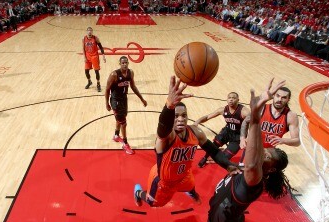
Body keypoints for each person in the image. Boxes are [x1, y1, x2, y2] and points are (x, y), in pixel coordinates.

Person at [206, 79, 292, 222]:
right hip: (232, 221)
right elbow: (223, 160)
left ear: (269, 168)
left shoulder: (253, 178)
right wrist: (203, 141)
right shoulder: (246, 171)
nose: (264, 151)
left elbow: (254, 154)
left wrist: (256, 114)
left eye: (268, 155)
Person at [133, 76, 237, 207]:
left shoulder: (196, 133)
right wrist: (169, 106)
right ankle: (138, 192)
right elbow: (162, 127)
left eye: (184, 115)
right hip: (163, 181)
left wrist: (228, 165)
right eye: (176, 116)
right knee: (152, 202)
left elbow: (214, 151)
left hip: (184, 176)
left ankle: (191, 193)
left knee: (191, 186)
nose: (180, 119)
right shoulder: (167, 136)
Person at [193, 92, 250, 168]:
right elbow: (207, 117)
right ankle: (205, 157)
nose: (231, 100)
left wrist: (247, 138)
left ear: (238, 100)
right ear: (227, 99)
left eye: (233, 98)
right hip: (227, 132)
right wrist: (197, 122)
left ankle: (219, 154)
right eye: (229, 98)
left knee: (224, 159)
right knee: (213, 145)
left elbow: (254, 124)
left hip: (238, 136)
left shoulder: (244, 111)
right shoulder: (223, 110)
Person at [105, 56, 148, 155]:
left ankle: (116, 136)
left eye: (126, 62)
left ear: (128, 63)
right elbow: (107, 89)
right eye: (122, 63)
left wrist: (142, 99)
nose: (124, 64)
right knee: (123, 123)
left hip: (124, 99)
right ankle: (125, 143)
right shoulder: (114, 75)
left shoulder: (130, 73)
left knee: (120, 119)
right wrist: (107, 103)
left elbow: (133, 86)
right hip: (115, 101)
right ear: (119, 64)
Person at [83, 26, 106, 92]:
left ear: (92, 32)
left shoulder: (95, 38)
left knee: (96, 71)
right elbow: (83, 49)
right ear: (87, 31)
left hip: (94, 56)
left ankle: (98, 84)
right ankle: (89, 81)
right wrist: (84, 57)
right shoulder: (84, 38)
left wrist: (103, 56)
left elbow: (101, 47)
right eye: (88, 30)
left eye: (91, 30)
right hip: (87, 56)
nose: (89, 31)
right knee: (86, 71)